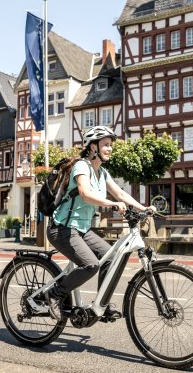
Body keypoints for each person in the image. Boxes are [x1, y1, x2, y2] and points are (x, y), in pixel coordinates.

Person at [46, 125, 150, 321]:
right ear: (93, 147)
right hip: (61, 229)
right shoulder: (81, 166)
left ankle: (101, 305)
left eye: (111, 145)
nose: (110, 149)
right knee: (91, 265)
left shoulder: (102, 172)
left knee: (110, 257)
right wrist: (112, 204)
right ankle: (55, 294)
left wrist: (143, 208)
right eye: (106, 145)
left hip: (81, 229)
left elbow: (120, 193)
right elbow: (85, 193)